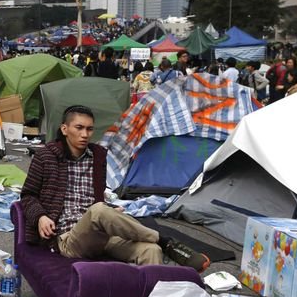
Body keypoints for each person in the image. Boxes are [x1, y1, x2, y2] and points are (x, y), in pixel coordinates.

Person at [20, 105, 210, 270]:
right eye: (79, 128)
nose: (85, 134)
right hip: (69, 238)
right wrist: (41, 216)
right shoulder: (46, 157)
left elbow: (96, 199)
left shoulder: (98, 157)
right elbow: (27, 195)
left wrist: (111, 214)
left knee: (150, 250)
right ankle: (165, 240)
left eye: (89, 129)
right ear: (64, 129)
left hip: (102, 234)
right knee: (99, 211)